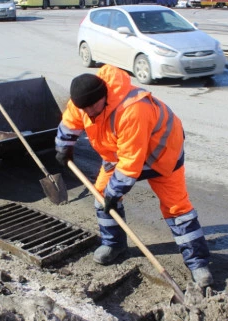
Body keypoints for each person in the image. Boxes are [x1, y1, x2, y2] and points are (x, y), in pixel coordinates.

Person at [54, 64, 213, 288]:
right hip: (120, 153)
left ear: (105, 97)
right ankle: (114, 244)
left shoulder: (132, 109)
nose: (89, 113)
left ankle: (198, 263)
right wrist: (64, 146)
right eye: (84, 109)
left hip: (162, 152)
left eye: (93, 107)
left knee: (176, 206)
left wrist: (115, 192)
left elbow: (130, 164)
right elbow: (70, 122)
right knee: (101, 197)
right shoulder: (83, 101)